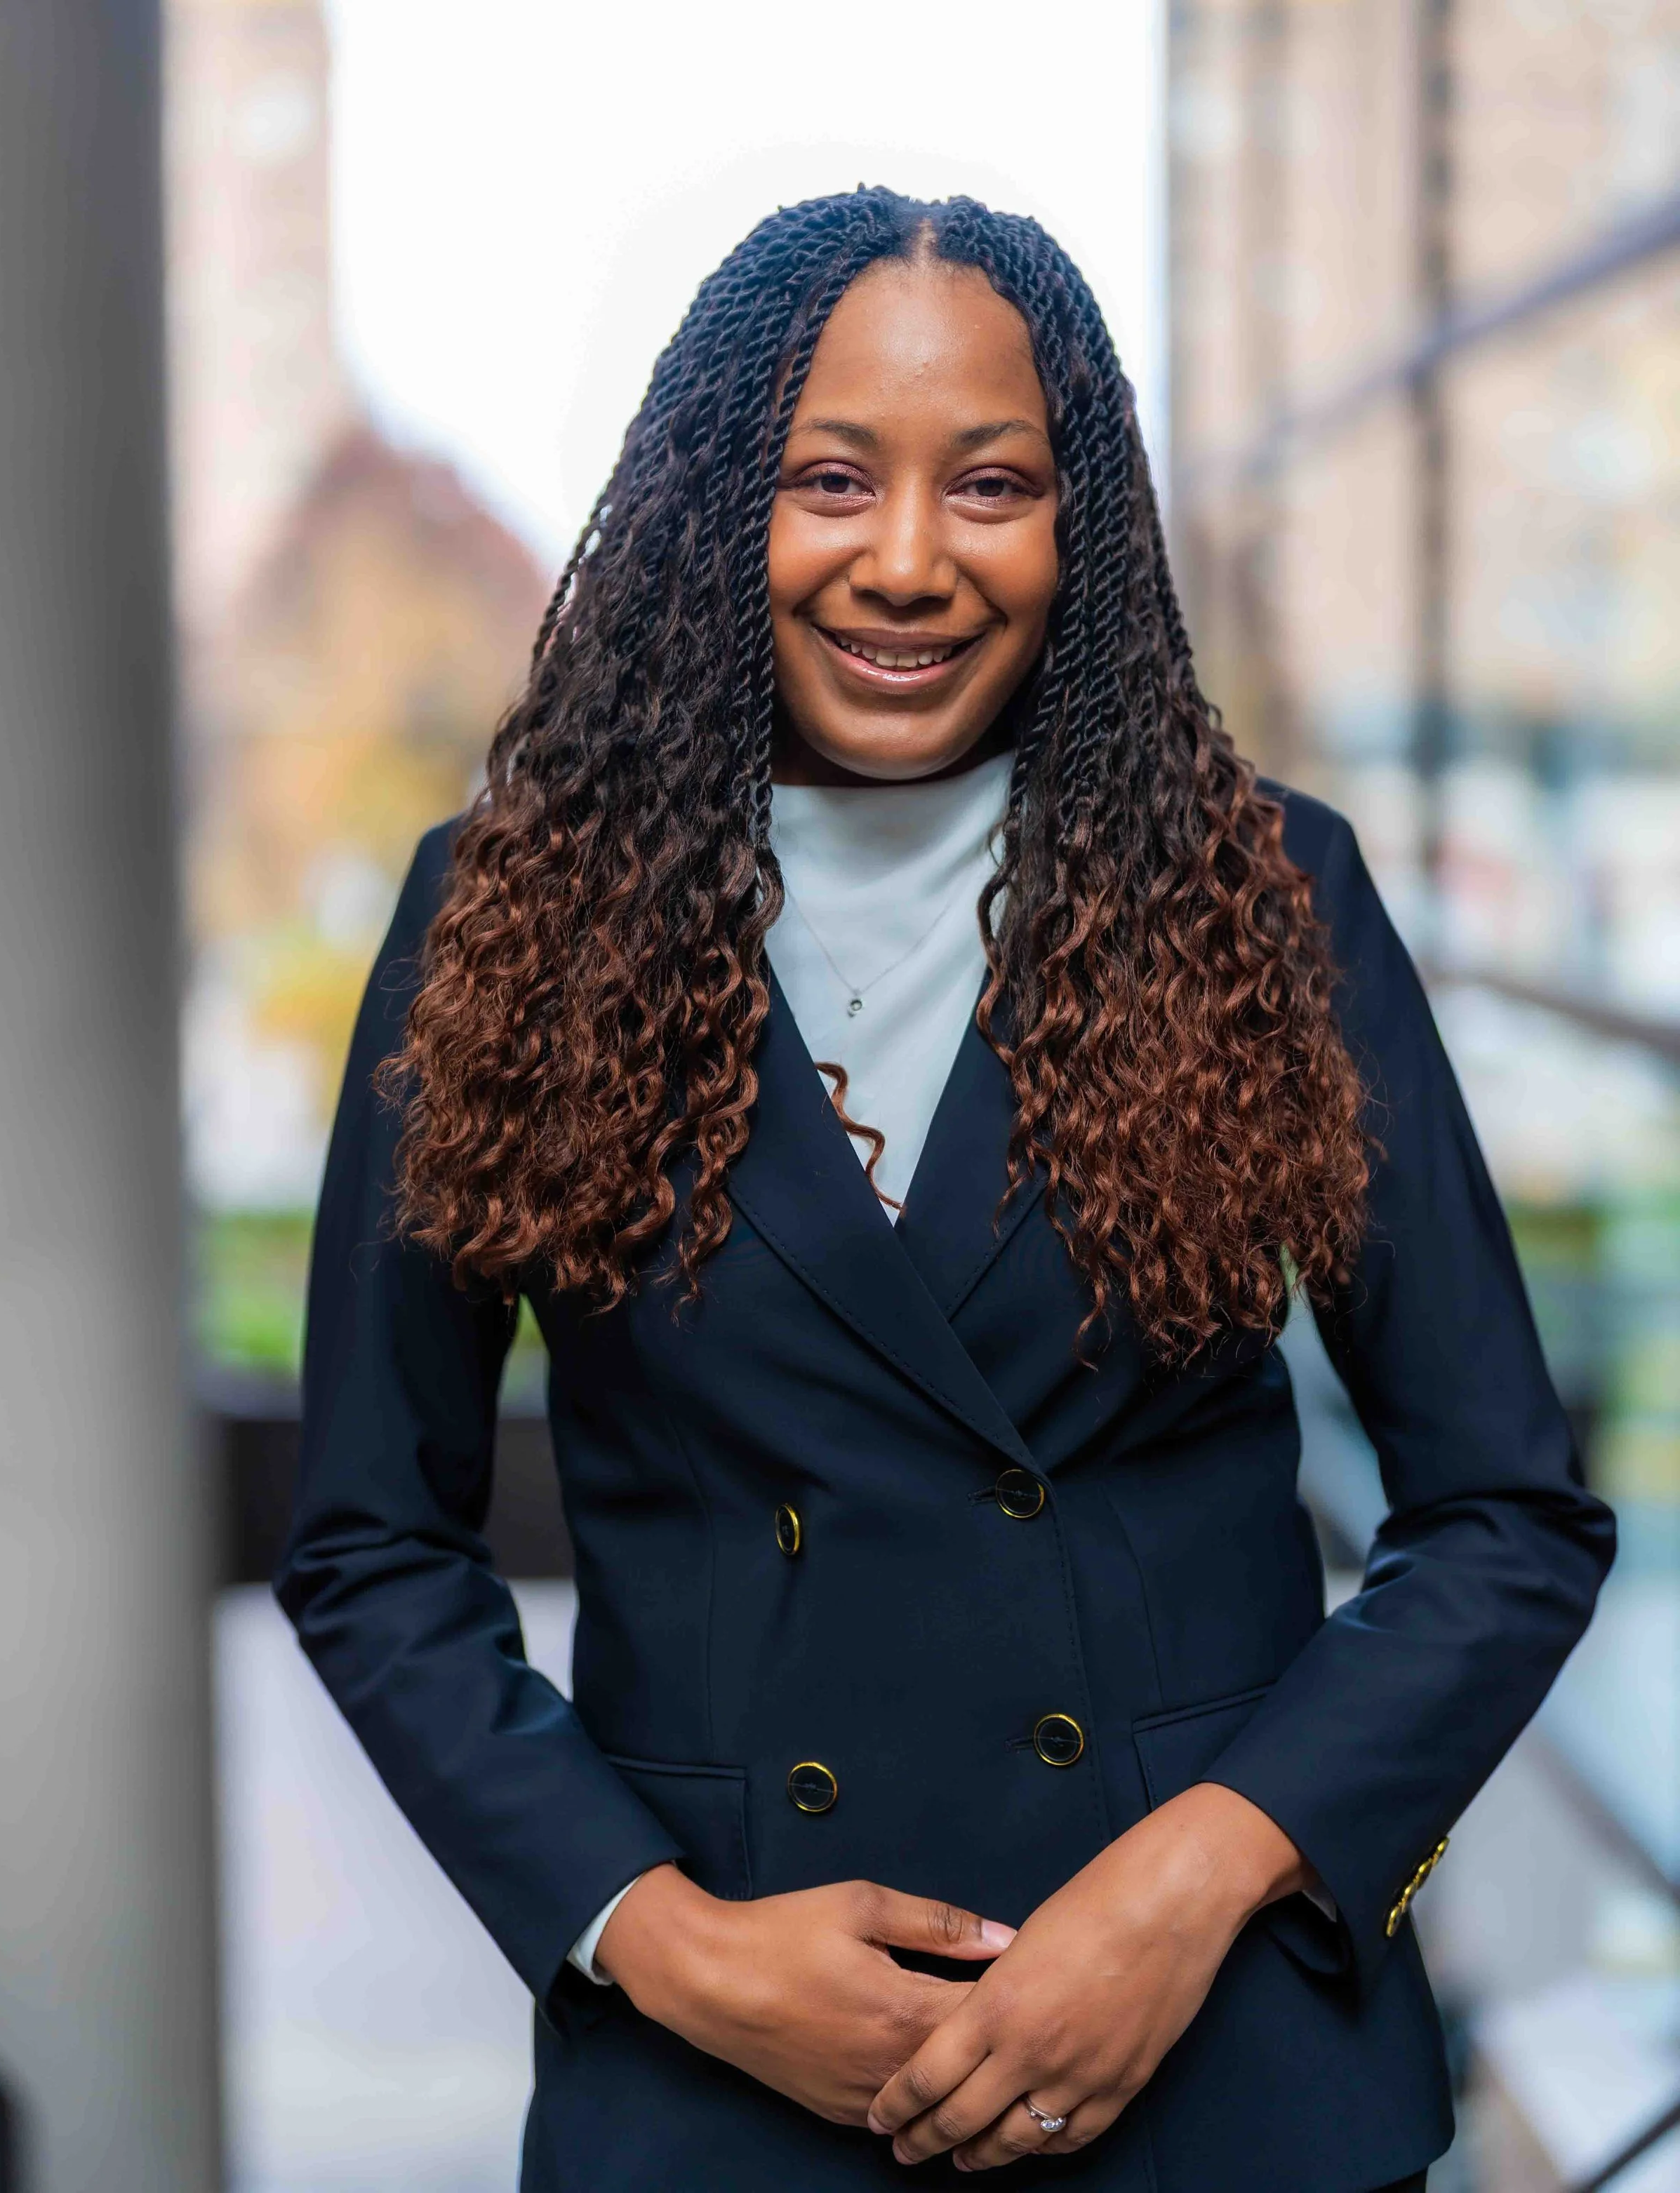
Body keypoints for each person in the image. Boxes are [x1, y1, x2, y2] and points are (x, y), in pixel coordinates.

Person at [278, 188, 1614, 2190]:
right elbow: (375, 1544)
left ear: (1077, 525)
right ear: (718, 502)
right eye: (830, 477)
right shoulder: (507, 918)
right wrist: (670, 1942)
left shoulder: (1261, 893)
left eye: (988, 483)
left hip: (1223, 2073)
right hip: (721, 2082)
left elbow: (1506, 1513)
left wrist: (1186, 1890)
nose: (905, 561)